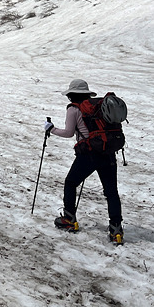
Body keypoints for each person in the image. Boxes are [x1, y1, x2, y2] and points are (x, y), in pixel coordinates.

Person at [47, 79, 124, 244]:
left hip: (89, 153)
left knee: (70, 183)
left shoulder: (73, 109)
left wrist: (51, 129)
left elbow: (69, 133)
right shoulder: (99, 107)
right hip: (108, 152)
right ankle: (116, 230)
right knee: (111, 192)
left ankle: (69, 219)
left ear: (71, 94)